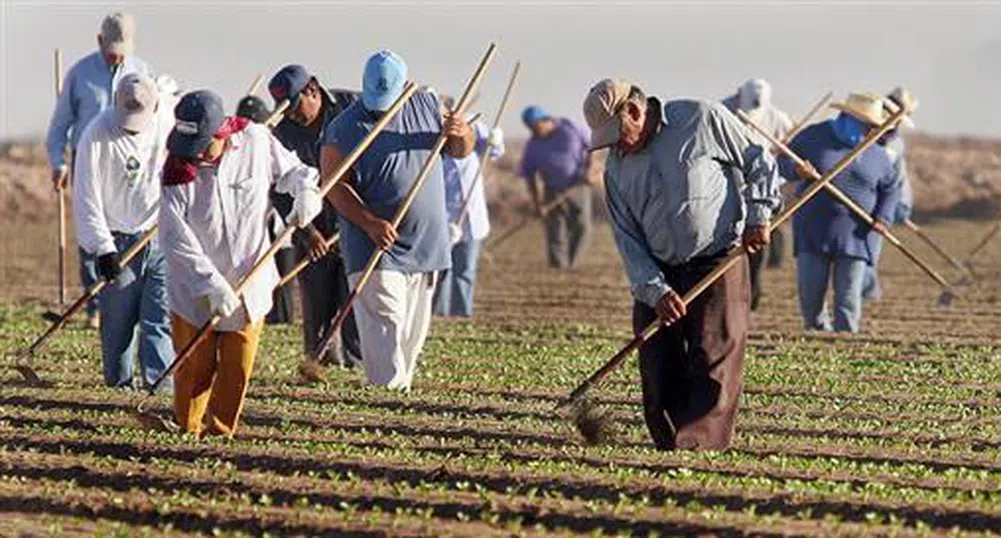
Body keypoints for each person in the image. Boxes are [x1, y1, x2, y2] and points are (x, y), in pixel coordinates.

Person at [583, 79, 781, 451]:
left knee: (712, 353)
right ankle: (670, 442)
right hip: (658, 268)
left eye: (618, 134)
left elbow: (759, 159)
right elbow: (628, 240)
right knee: (657, 359)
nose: (616, 145)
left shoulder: (700, 119)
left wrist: (759, 215)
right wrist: (655, 290)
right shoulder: (616, 170)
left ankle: (696, 449)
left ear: (635, 112)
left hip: (718, 257)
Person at [159, 90, 322, 437]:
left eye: (205, 144)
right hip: (194, 287)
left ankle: (220, 434)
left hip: (250, 280)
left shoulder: (256, 140)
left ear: (223, 133)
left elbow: (295, 171)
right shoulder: (177, 168)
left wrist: (307, 193)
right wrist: (211, 283)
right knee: (194, 367)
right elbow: (174, 237)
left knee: (237, 366)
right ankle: (185, 431)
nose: (198, 154)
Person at [320, 50, 474, 391]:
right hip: (374, 245)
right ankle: (386, 395)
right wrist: (370, 222)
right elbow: (332, 186)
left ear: (404, 85)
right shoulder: (343, 127)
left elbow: (461, 150)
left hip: (425, 244)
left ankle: (399, 393)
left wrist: (461, 132)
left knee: (411, 332)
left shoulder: (428, 106)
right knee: (385, 323)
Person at [46, 12, 153, 329]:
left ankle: (128, 299)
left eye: (123, 49)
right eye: (111, 48)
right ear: (98, 41)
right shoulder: (80, 74)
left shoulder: (141, 71)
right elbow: (59, 126)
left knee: (128, 227)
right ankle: (96, 303)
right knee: (92, 226)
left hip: (131, 160)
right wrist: (58, 162)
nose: (117, 55)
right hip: (87, 156)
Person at [72, 73, 174, 391]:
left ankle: (160, 389)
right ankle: (120, 388)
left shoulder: (168, 121)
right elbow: (86, 197)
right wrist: (102, 248)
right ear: (116, 103)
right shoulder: (96, 134)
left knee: (160, 319)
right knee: (118, 324)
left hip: (161, 234)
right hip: (118, 240)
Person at [778, 93, 901, 333]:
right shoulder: (815, 136)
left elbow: (891, 188)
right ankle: (816, 334)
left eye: (874, 127)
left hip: (856, 233)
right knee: (811, 292)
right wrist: (797, 170)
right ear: (850, 118)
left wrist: (883, 218)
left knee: (848, 295)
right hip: (813, 229)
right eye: (867, 125)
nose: (870, 131)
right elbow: (782, 160)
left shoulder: (877, 154)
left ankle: (846, 339)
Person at [268, 65, 362, 368]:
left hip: (355, 221)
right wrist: (308, 233)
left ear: (313, 90)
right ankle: (318, 363)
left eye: (295, 107)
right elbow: (280, 190)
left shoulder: (351, 107)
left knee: (355, 305)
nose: (292, 115)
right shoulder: (281, 131)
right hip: (314, 229)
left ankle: (358, 365)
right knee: (317, 305)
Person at [723, 78, 794, 310]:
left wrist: (783, 147)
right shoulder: (723, 111)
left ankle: (753, 291)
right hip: (731, 184)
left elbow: (792, 143)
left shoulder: (777, 118)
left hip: (765, 185)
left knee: (761, 234)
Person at [434, 102, 504, 317]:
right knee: (442, 271)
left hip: (472, 218)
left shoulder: (471, 124)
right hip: (443, 220)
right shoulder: (431, 138)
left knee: (465, 271)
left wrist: (496, 139)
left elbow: (495, 150)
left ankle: (462, 314)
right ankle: (440, 314)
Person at [518, 106, 594, 269]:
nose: (534, 131)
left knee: (581, 226)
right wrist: (537, 203)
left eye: (535, 126)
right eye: (530, 128)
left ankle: (573, 264)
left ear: (546, 120)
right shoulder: (532, 144)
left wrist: (590, 171)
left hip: (577, 185)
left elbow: (592, 148)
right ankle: (558, 266)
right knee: (555, 229)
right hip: (551, 189)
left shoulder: (571, 128)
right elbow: (529, 175)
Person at [863, 87, 918, 301]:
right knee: (865, 254)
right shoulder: (873, 137)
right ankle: (868, 294)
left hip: (884, 205)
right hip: (870, 202)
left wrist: (897, 209)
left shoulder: (893, 142)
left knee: (868, 253)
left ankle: (869, 294)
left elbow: (895, 182)